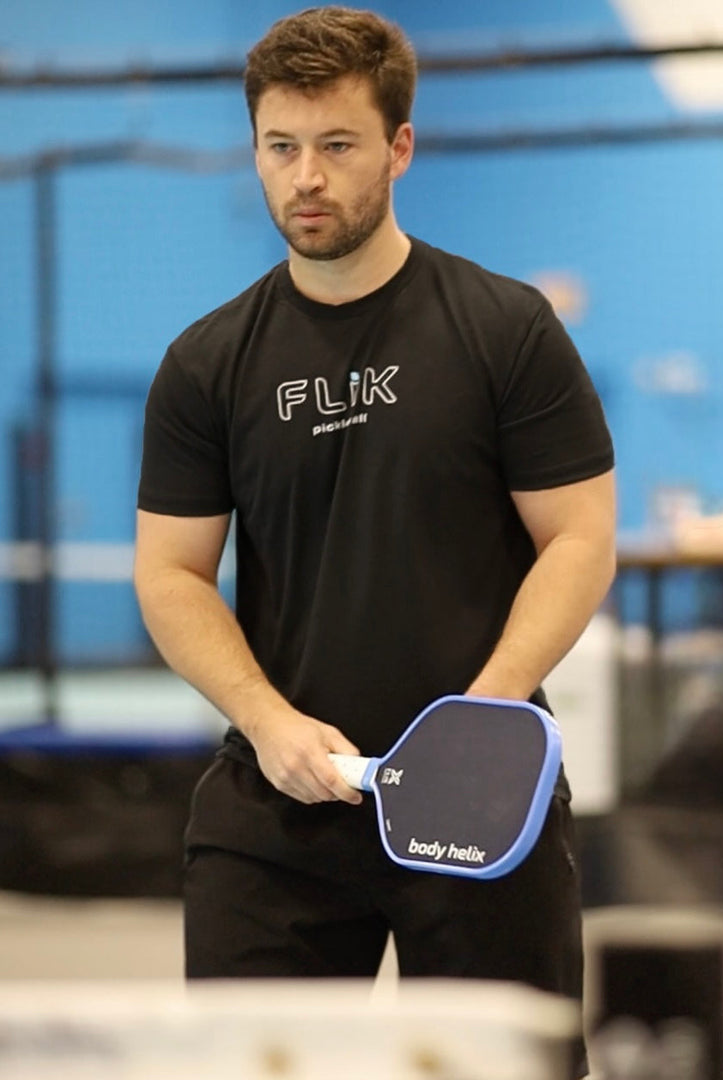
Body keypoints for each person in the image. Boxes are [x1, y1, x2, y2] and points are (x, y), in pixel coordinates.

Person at [133, 8, 615, 1077]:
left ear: (400, 147)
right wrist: (265, 722)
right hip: (281, 812)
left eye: (338, 145)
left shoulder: (507, 329)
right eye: (281, 146)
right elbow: (170, 575)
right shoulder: (206, 364)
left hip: (487, 806)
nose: (306, 176)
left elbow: (579, 538)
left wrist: (485, 715)